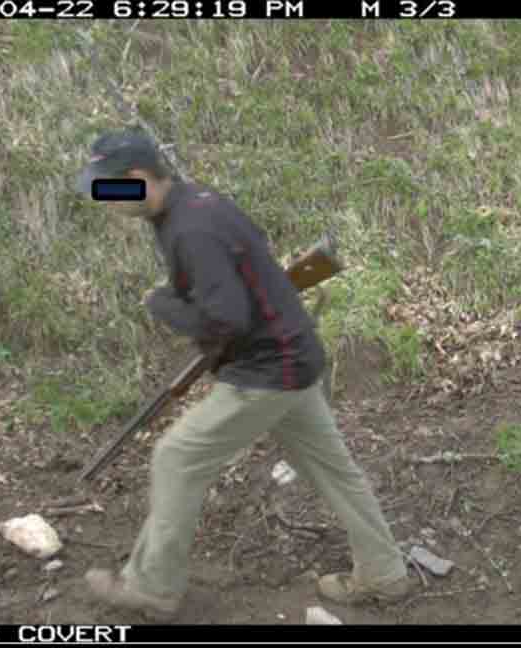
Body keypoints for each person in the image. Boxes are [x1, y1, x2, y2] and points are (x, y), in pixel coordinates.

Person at [74, 129, 411, 618]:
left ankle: (152, 586)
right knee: (335, 471)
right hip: (295, 353)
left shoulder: (191, 230)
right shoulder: (199, 203)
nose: (107, 201)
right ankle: (385, 573)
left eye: (110, 188)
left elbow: (228, 319)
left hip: (267, 370)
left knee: (176, 457)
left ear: (138, 178)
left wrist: (166, 306)